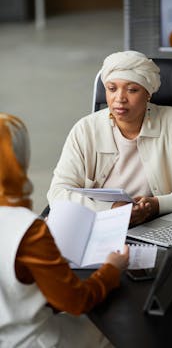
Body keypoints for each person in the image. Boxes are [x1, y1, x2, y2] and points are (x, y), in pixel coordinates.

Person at [47, 50, 172, 227]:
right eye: (112, 88)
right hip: (101, 224)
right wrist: (112, 209)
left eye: (132, 89)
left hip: (162, 225)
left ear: (148, 93)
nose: (120, 98)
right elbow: (58, 192)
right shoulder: (86, 129)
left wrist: (157, 205)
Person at [0, 112, 129, 347]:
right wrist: (111, 269)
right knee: (114, 330)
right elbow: (75, 301)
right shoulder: (26, 229)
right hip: (30, 340)